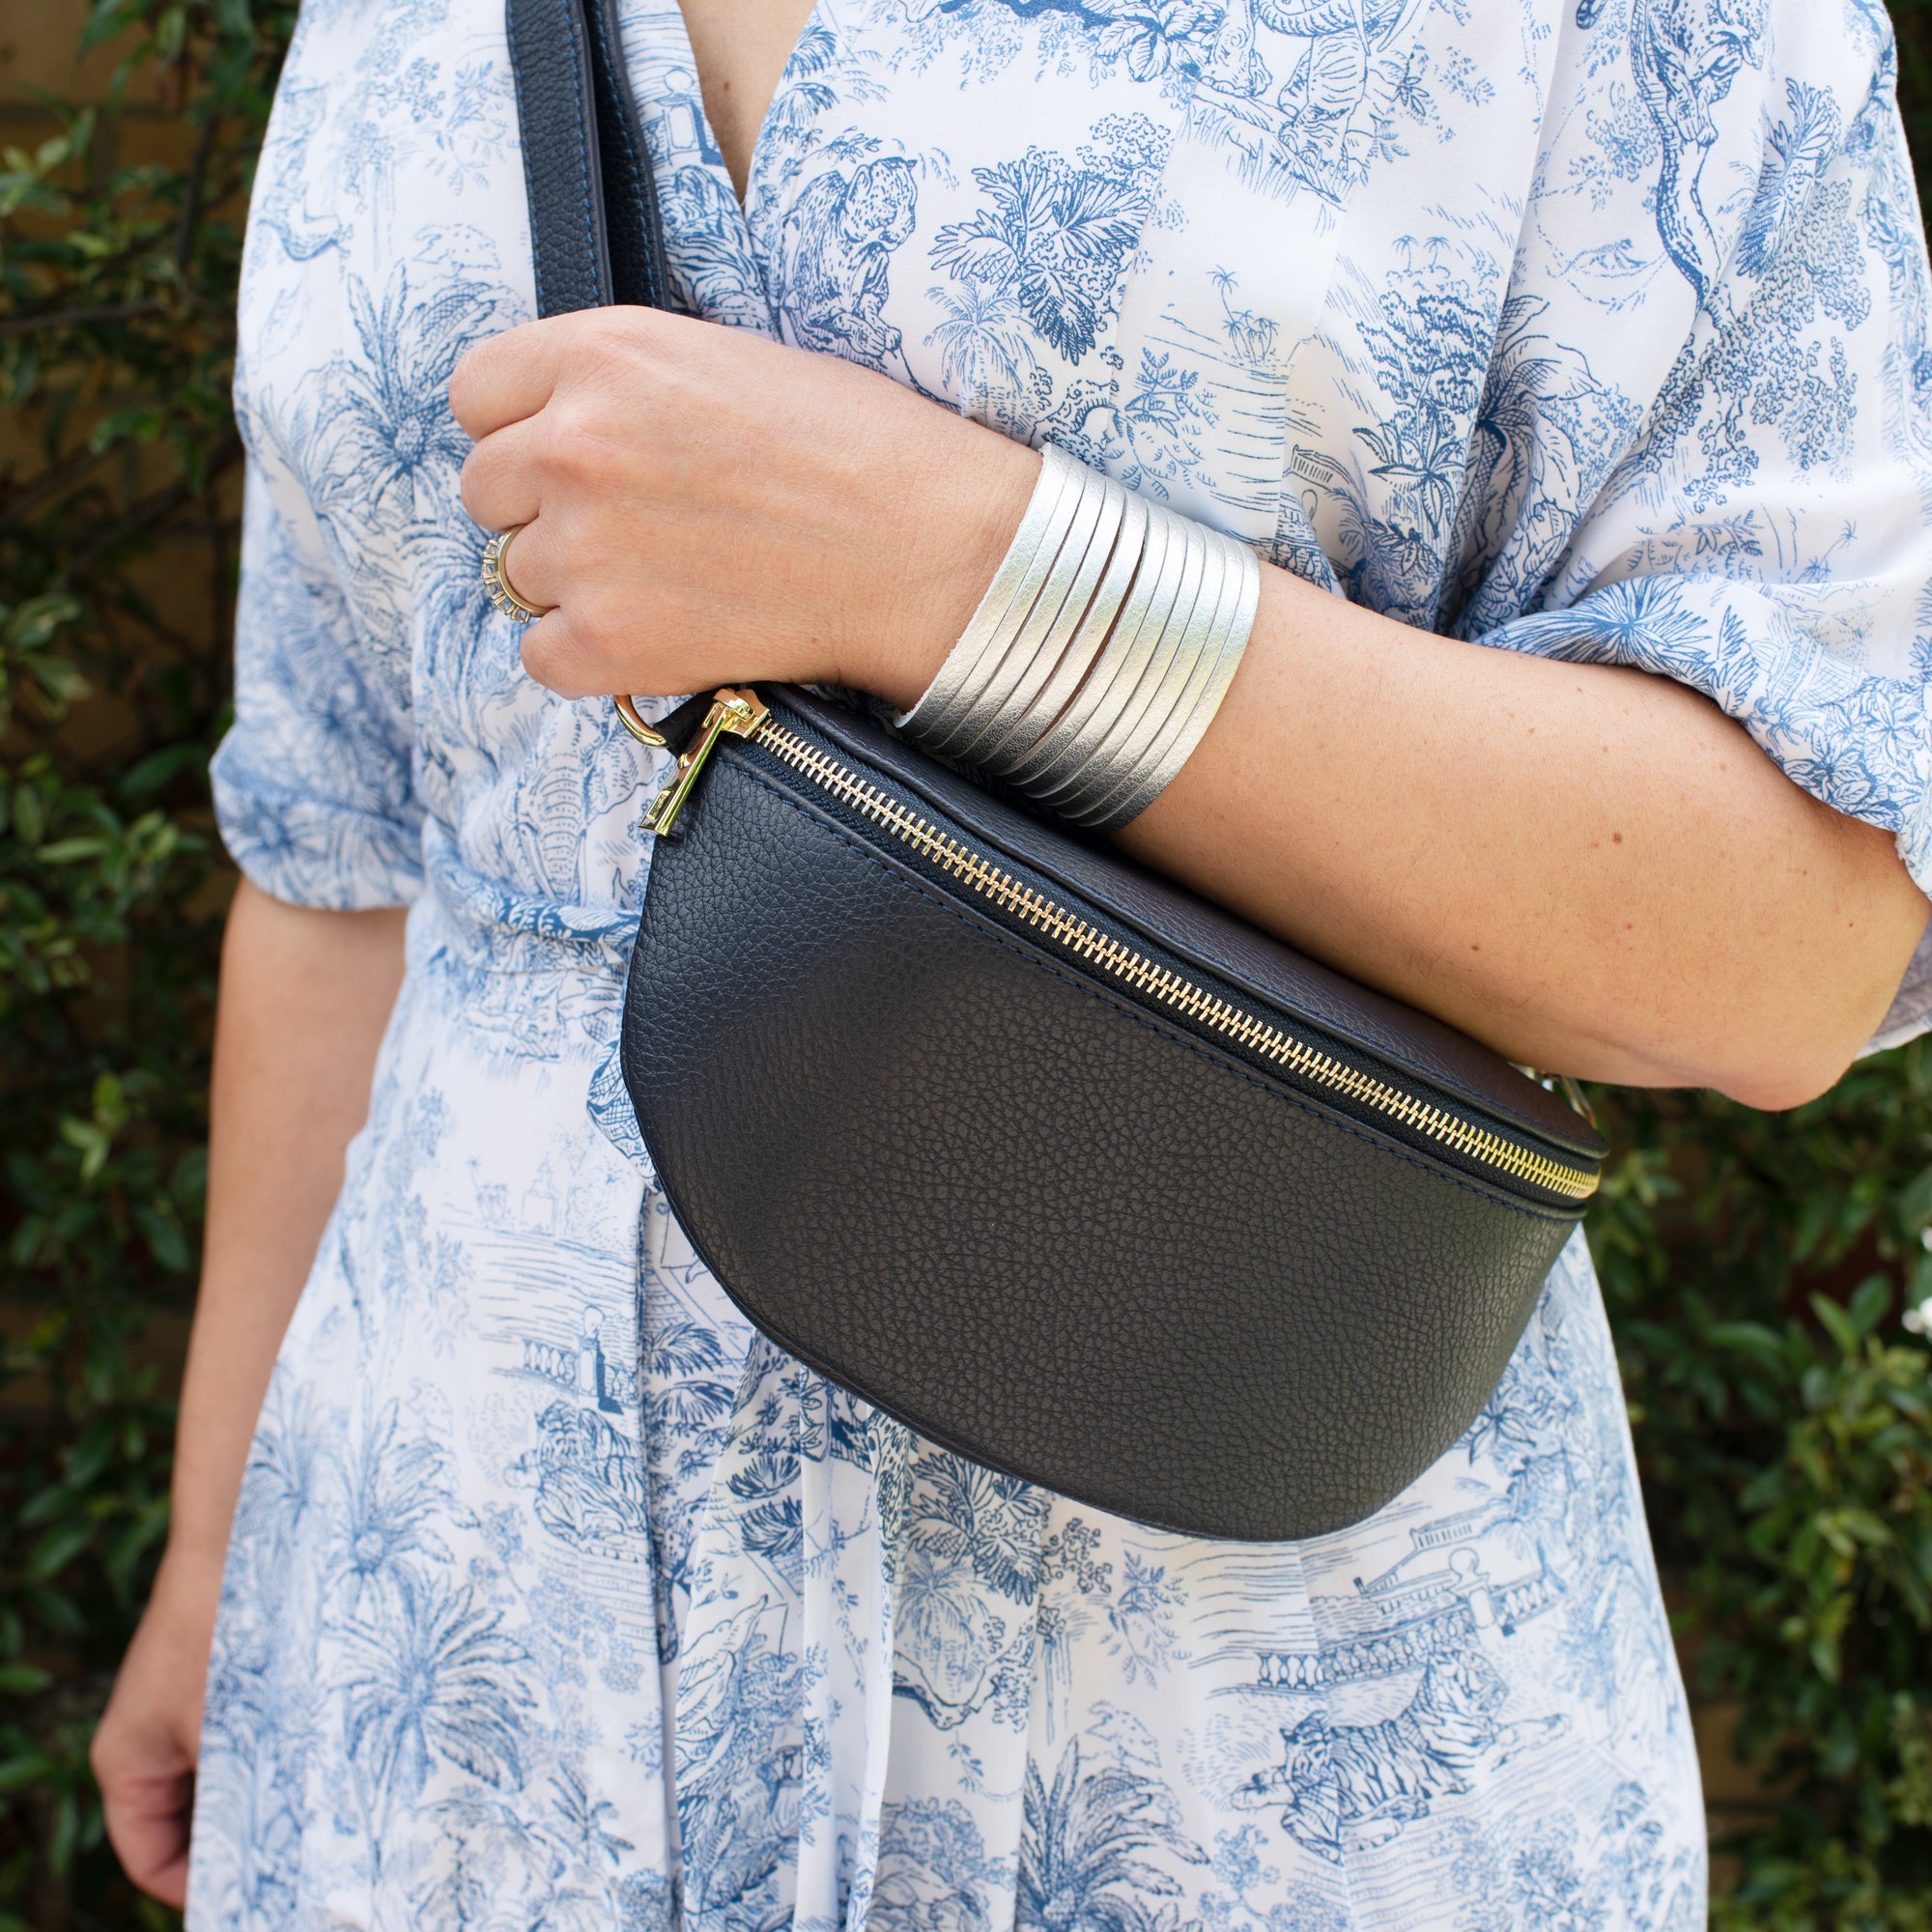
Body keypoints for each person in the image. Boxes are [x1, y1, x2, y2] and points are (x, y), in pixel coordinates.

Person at [91, 0, 1932, 1923]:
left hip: (1231, 1764)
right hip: (445, 1716)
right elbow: (347, 855)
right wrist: (222, 1551)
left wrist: (959, 574)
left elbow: (1790, 935)